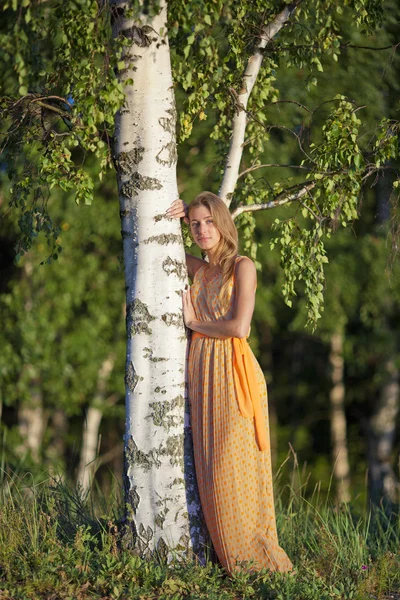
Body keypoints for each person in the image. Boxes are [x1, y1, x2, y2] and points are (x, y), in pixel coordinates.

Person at [167, 191, 293, 575]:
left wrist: (194, 325)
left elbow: (240, 327)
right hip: (203, 377)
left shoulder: (242, 265)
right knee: (208, 478)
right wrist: (176, 207)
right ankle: (236, 569)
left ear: (223, 224)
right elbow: (161, 245)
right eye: (195, 224)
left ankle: (260, 569)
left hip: (234, 375)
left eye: (208, 222)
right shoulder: (201, 270)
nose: (202, 230)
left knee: (229, 473)